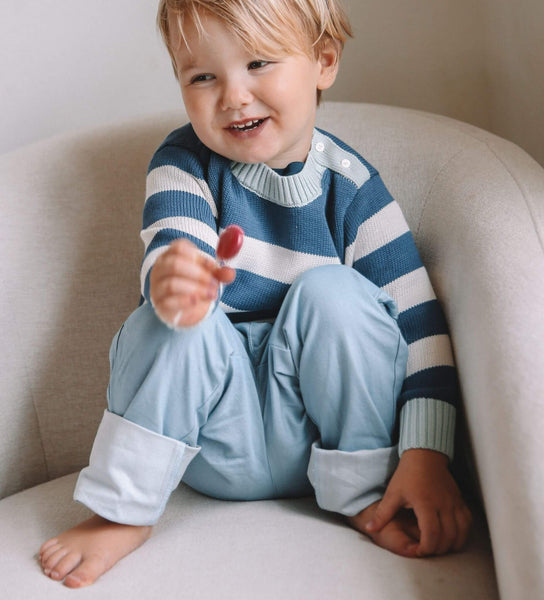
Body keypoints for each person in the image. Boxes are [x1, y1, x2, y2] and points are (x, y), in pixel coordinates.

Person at [39, 0, 472, 588]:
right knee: (176, 317)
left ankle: (365, 495)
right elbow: (175, 239)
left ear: (324, 62)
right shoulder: (184, 163)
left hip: (323, 436)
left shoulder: (354, 188)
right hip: (216, 434)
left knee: (337, 294)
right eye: (203, 76)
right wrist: (175, 282)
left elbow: (420, 327)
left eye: (259, 63)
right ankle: (122, 510)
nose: (234, 95)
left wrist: (426, 455)